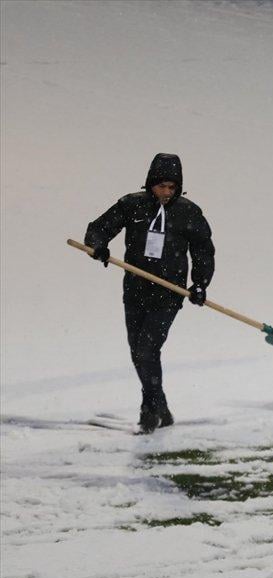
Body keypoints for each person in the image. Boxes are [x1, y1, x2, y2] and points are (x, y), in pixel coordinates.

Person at [84, 153, 214, 434]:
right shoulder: (132, 205)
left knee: (146, 349)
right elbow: (100, 228)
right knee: (138, 351)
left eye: (171, 187)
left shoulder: (188, 212)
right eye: (161, 186)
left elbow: (203, 250)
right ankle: (161, 406)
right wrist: (98, 245)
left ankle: (149, 410)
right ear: (150, 184)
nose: (166, 192)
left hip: (169, 293)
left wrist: (200, 283)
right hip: (135, 289)